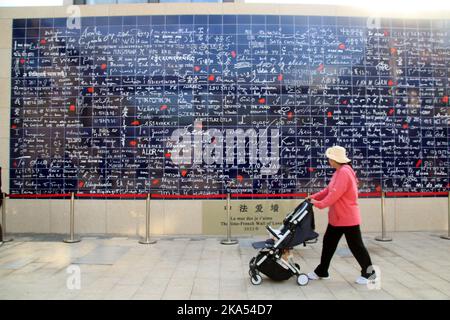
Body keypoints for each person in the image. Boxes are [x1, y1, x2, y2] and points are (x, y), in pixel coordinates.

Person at [306, 146, 376, 285]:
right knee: (328, 244)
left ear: (334, 159)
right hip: (338, 218)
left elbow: (334, 195)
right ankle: (322, 271)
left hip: (347, 218)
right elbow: (328, 190)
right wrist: (313, 197)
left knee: (356, 246)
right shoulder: (339, 171)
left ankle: (370, 274)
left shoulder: (344, 172)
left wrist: (318, 204)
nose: (328, 160)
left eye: (329, 158)